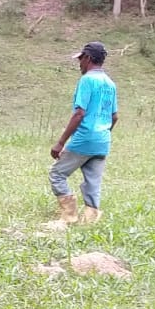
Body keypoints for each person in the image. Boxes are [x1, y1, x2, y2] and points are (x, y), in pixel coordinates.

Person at [48, 41, 118, 227]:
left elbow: (79, 113)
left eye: (80, 59)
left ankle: (69, 217)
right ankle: (90, 221)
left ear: (88, 58)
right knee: (93, 181)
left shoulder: (87, 80)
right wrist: (102, 134)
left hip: (84, 138)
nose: (79, 63)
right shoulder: (110, 83)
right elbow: (114, 116)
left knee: (57, 174)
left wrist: (60, 142)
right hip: (102, 141)